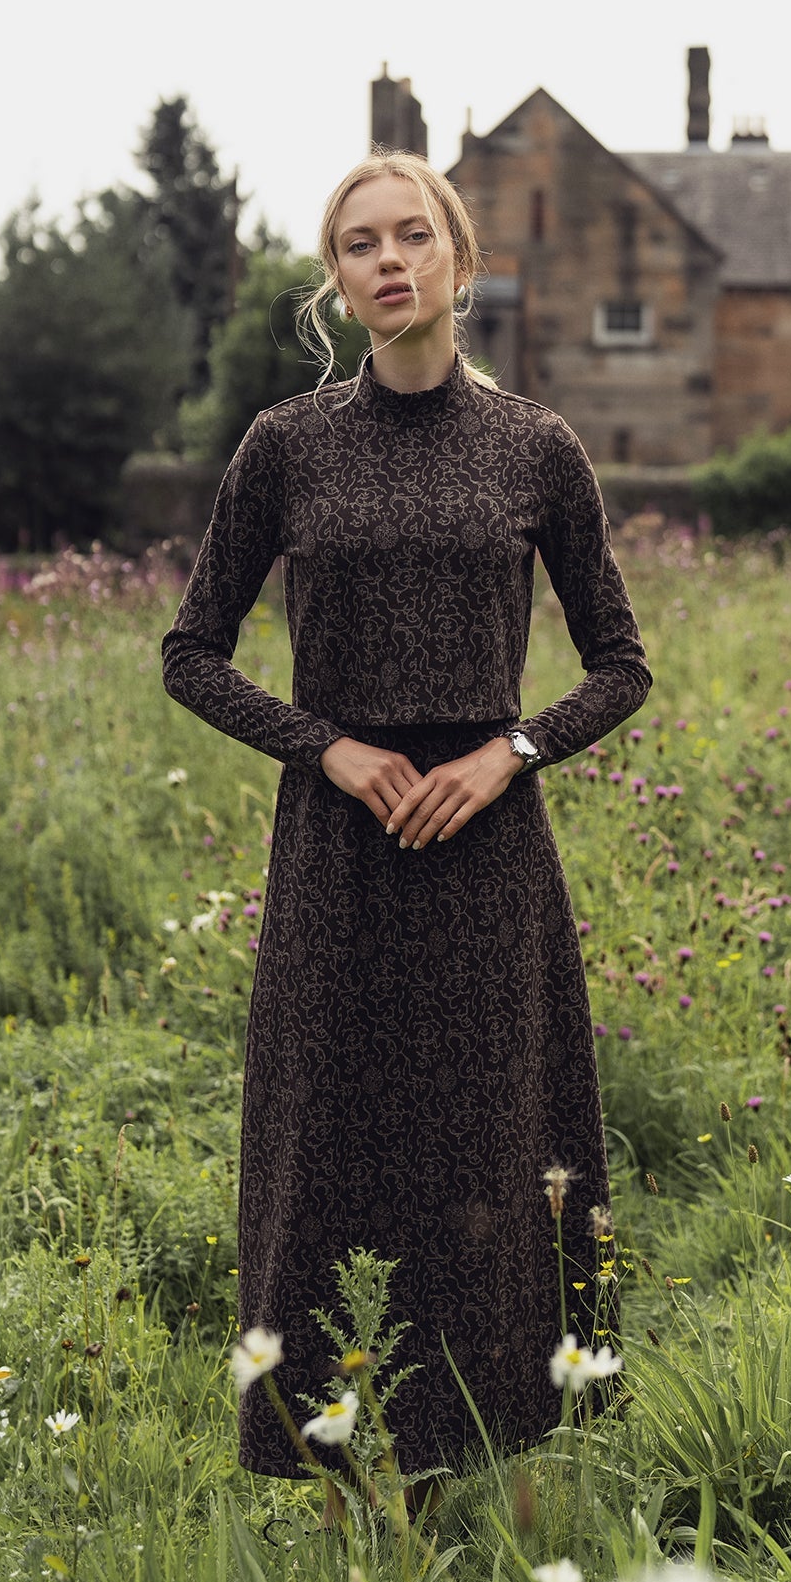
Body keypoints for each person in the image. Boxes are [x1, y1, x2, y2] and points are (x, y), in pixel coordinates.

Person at [160, 150, 652, 1485]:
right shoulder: (286, 446)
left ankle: (489, 1457)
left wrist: (513, 752)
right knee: (329, 1153)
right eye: (360, 243)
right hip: (337, 854)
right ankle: (336, 1464)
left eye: (411, 235)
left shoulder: (537, 447)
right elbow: (190, 653)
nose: (389, 260)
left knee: (493, 1153)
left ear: (458, 258)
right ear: (338, 279)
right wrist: (327, 749)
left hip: (490, 852)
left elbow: (621, 666)